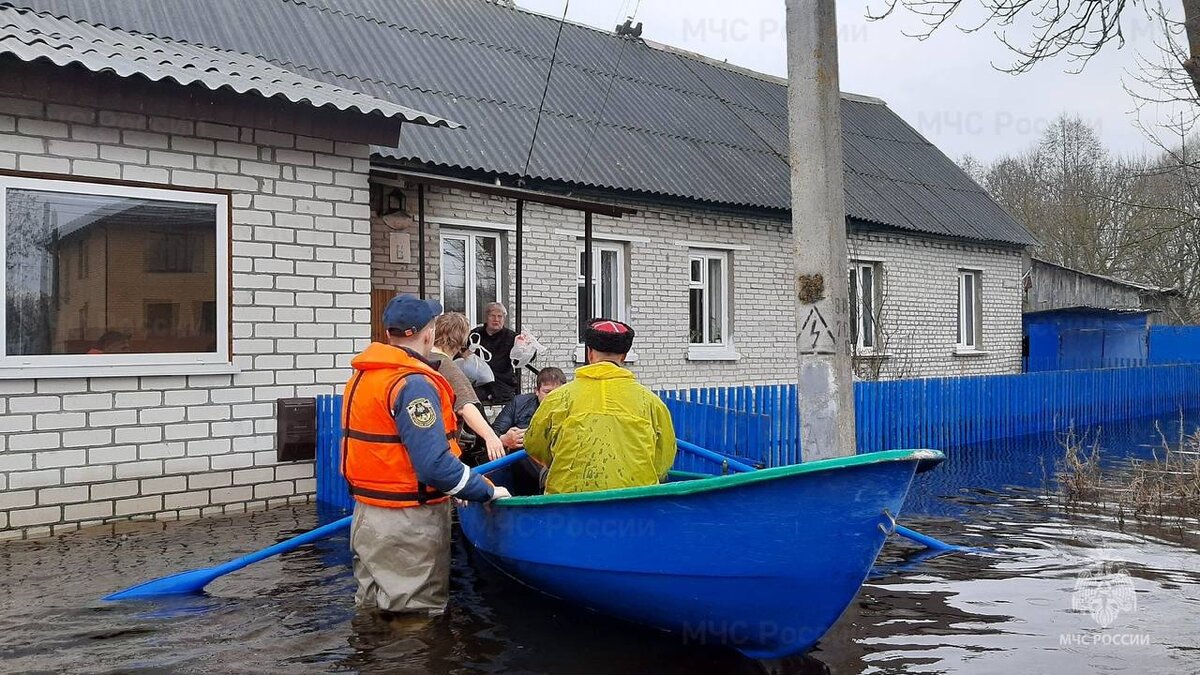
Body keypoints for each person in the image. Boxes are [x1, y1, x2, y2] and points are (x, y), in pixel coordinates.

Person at [341, 294, 511, 615]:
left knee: (372, 609)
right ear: (429, 334)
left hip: (367, 515)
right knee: (414, 618)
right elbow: (434, 465)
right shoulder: (414, 384)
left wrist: (455, 484)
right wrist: (484, 489)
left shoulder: (364, 376)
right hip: (407, 522)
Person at [524, 319, 676, 494]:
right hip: (636, 505)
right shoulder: (651, 402)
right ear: (624, 357)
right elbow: (664, 458)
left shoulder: (558, 398)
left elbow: (534, 445)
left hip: (568, 506)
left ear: (589, 354)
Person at [431, 312, 504, 464]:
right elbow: (466, 406)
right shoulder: (447, 366)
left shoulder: (420, 358)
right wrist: (490, 436)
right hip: (442, 449)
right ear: (462, 339)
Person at [491, 366, 567, 494]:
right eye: (547, 392)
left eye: (557, 392)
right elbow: (493, 432)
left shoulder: (570, 406)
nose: (553, 397)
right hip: (523, 465)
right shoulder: (519, 403)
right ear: (536, 391)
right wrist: (505, 440)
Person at [469, 302, 518, 404]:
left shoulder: (512, 337)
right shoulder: (475, 335)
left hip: (503, 384)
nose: (496, 319)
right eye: (492, 316)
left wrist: (527, 348)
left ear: (504, 319)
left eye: (500, 316)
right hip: (478, 383)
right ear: (486, 317)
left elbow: (525, 358)